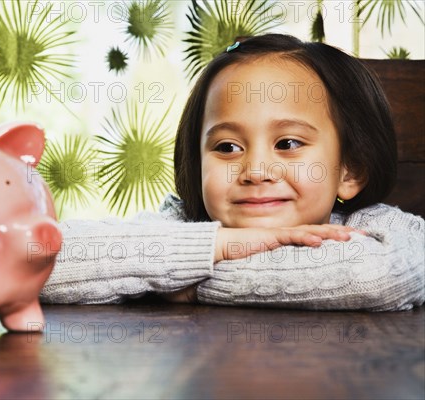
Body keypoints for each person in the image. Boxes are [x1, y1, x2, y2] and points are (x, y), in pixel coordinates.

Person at [40, 34, 424, 311]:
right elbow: (36, 258)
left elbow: (385, 277)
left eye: (288, 144)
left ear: (349, 170)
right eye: (227, 147)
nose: (256, 171)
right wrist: (217, 246)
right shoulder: (180, 224)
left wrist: (187, 284)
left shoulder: (373, 229)